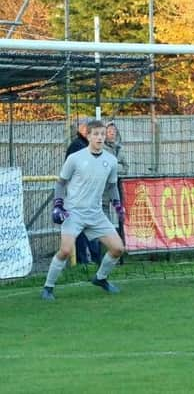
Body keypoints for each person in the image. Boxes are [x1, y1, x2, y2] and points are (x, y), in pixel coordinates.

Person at [41, 120, 126, 301]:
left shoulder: (110, 161)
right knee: (65, 251)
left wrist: (118, 205)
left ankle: (100, 278)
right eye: (96, 134)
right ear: (88, 136)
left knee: (118, 249)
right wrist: (58, 205)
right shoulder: (75, 158)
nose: (100, 137)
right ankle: (48, 287)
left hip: (95, 214)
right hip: (74, 213)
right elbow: (61, 183)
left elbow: (112, 186)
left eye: (103, 134)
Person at [65, 118, 101, 265]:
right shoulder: (76, 146)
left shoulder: (87, 145)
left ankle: (95, 259)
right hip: (79, 195)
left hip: (89, 195)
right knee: (81, 229)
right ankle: (82, 261)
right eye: (86, 127)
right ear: (80, 128)